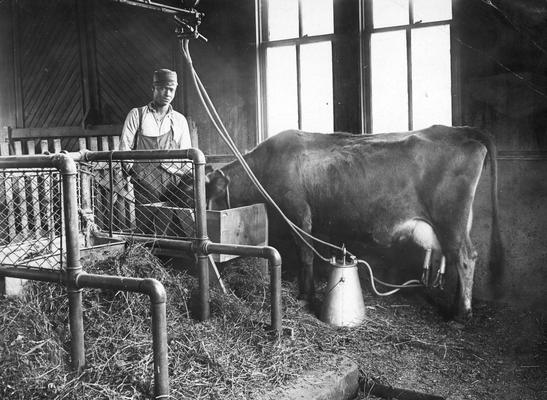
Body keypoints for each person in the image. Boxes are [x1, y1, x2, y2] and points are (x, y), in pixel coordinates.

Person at [119, 68, 194, 235]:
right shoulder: (137, 115)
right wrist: (135, 174)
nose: (167, 93)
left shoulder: (179, 120)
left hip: (173, 183)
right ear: (153, 89)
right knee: (147, 227)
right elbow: (124, 148)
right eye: (162, 88)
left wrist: (186, 178)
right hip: (145, 182)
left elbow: (186, 154)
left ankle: (171, 259)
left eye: (171, 89)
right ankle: (147, 259)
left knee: (173, 227)